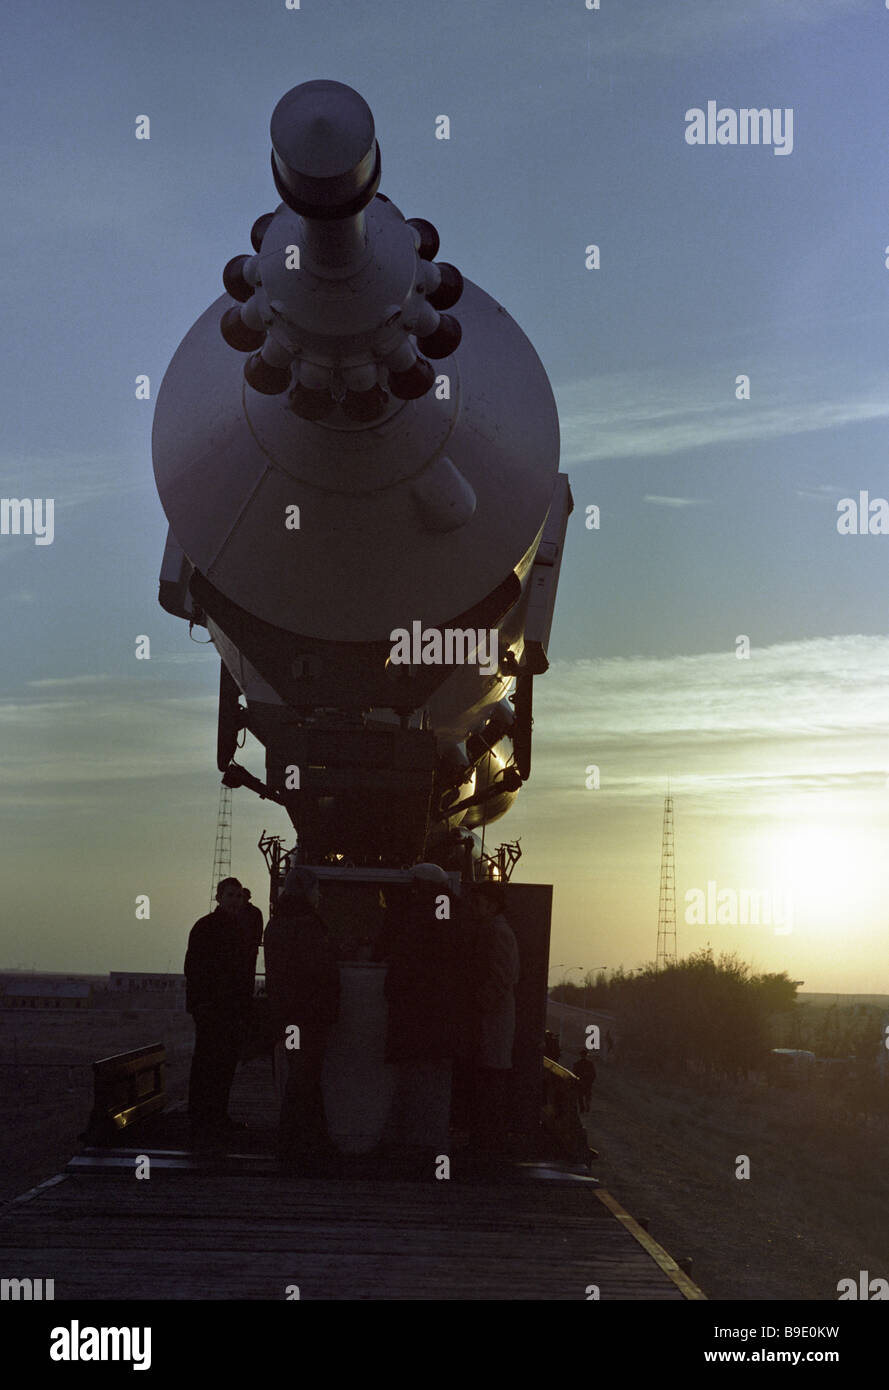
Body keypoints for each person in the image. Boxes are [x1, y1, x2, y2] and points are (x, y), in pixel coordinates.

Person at [263, 867, 340, 1169]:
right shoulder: (307, 926)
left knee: (302, 1076)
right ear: (308, 892)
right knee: (304, 1078)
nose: (319, 896)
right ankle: (295, 1143)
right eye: (317, 890)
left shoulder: (276, 924)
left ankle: (309, 1141)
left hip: (287, 1013)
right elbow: (318, 971)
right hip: (308, 1014)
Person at [184, 876, 256, 1141]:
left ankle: (216, 1115)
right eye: (230, 895)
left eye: (239, 896)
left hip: (230, 1009)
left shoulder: (239, 928)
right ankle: (201, 1117)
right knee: (207, 1063)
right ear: (219, 898)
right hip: (212, 1009)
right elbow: (194, 968)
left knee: (224, 1064)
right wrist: (202, 1004)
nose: (236, 901)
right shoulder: (206, 927)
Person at [468, 880, 520, 1159]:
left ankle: (489, 1145)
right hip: (493, 1018)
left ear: (491, 904)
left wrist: (476, 1005)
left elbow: (500, 978)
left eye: (478, 903)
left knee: (491, 1080)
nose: (474, 908)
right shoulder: (495, 930)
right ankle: (487, 1143)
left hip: (494, 1019)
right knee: (490, 1079)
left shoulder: (497, 932)